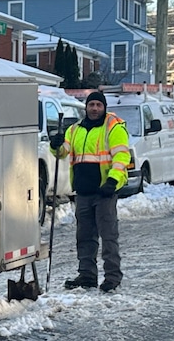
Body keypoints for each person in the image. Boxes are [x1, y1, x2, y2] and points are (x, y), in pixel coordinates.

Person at [49, 89, 132, 293]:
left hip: (104, 192)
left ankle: (112, 276)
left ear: (104, 107)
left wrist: (113, 180)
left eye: (98, 105)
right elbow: (62, 152)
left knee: (108, 236)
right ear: (86, 107)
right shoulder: (75, 129)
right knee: (84, 236)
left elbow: (122, 157)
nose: (94, 109)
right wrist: (55, 145)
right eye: (91, 105)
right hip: (83, 192)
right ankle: (87, 274)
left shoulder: (113, 127)